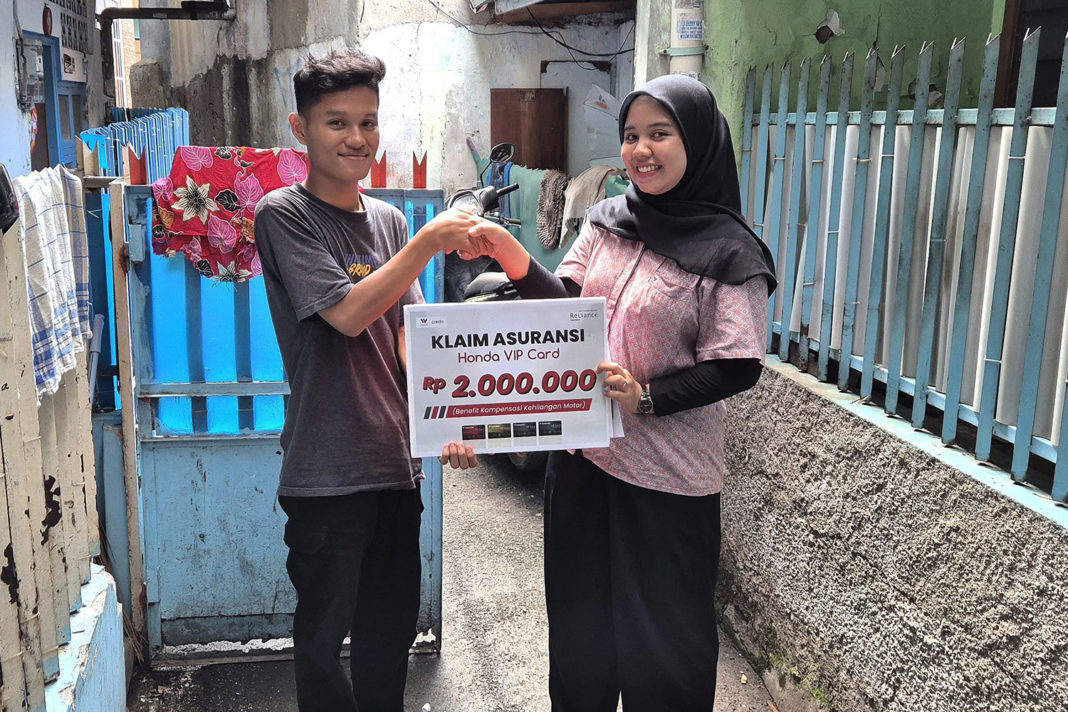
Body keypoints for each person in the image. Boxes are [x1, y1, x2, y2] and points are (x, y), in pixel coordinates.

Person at [460, 74, 777, 711]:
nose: (640, 150)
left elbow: (738, 364)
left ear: (697, 143)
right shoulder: (609, 221)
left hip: (666, 482)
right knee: (581, 633)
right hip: (583, 462)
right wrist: (514, 257)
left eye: (660, 134)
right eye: (631, 135)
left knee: (664, 648)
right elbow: (567, 305)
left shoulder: (730, 252)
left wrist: (648, 397)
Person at [254, 49, 477, 712]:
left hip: (394, 466)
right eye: (337, 123)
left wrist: (447, 417)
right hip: (326, 472)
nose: (357, 138)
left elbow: (408, 335)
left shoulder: (388, 221)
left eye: (368, 122)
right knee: (323, 641)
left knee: (390, 632)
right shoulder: (283, 215)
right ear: (301, 129)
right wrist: (427, 244)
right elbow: (349, 315)